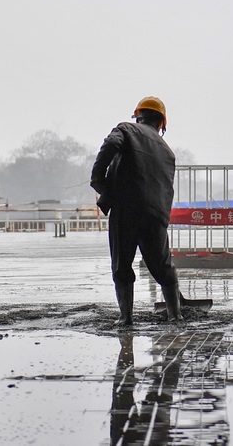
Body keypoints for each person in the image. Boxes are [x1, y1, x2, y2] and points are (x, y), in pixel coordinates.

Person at [91, 96, 182, 325]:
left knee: (122, 264)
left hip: (127, 207)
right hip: (156, 215)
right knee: (163, 267)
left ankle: (126, 318)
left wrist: (98, 179)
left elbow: (111, 145)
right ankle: (175, 314)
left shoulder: (127, 129)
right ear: (162, 123)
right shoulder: (168, 152)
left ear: (139, 116)